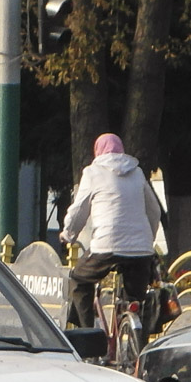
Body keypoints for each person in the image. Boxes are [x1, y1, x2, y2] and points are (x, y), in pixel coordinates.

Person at [60, 133, 162, 328]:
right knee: (136, 300)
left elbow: (79, 210)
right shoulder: (137, 172)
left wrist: (68, 234)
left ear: (97, 151)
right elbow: (154, 210)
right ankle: (138, 338)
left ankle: (87, 334)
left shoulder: (93, 172)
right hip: (141, 250)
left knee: (79, 281)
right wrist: (148, 238)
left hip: (106, 246)